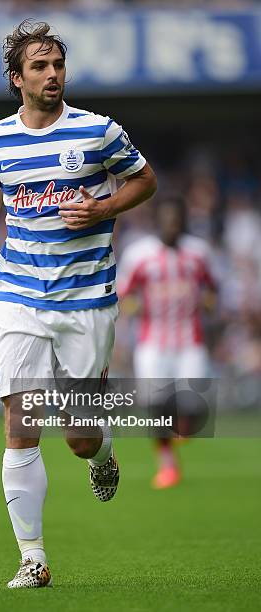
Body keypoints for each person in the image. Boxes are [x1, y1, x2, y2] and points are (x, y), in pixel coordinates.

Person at [0, 20, 157, 588]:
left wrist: (102, 209)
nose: (52, 75)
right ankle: (33, 558)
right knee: (20, 423)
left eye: (58, 65)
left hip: (86, 299)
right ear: (17, 79)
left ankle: (102, 455)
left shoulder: (98, 132)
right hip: (19, 294)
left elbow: (145, 182)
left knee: (79, 436)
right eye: (40, 67)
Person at [117, 196, 217, 489]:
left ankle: (183, 428)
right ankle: (168, 466)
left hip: (190, 339)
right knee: (154, 405)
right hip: (153, 341)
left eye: (176, 220)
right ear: (157, 222)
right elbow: (125, 293)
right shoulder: (140, 255)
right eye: (166, 220)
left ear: (183, 221)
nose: (171, 225)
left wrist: (208, 304)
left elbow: (213, 287)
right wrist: (134, 309)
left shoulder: (198, 253)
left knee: (196, 404)